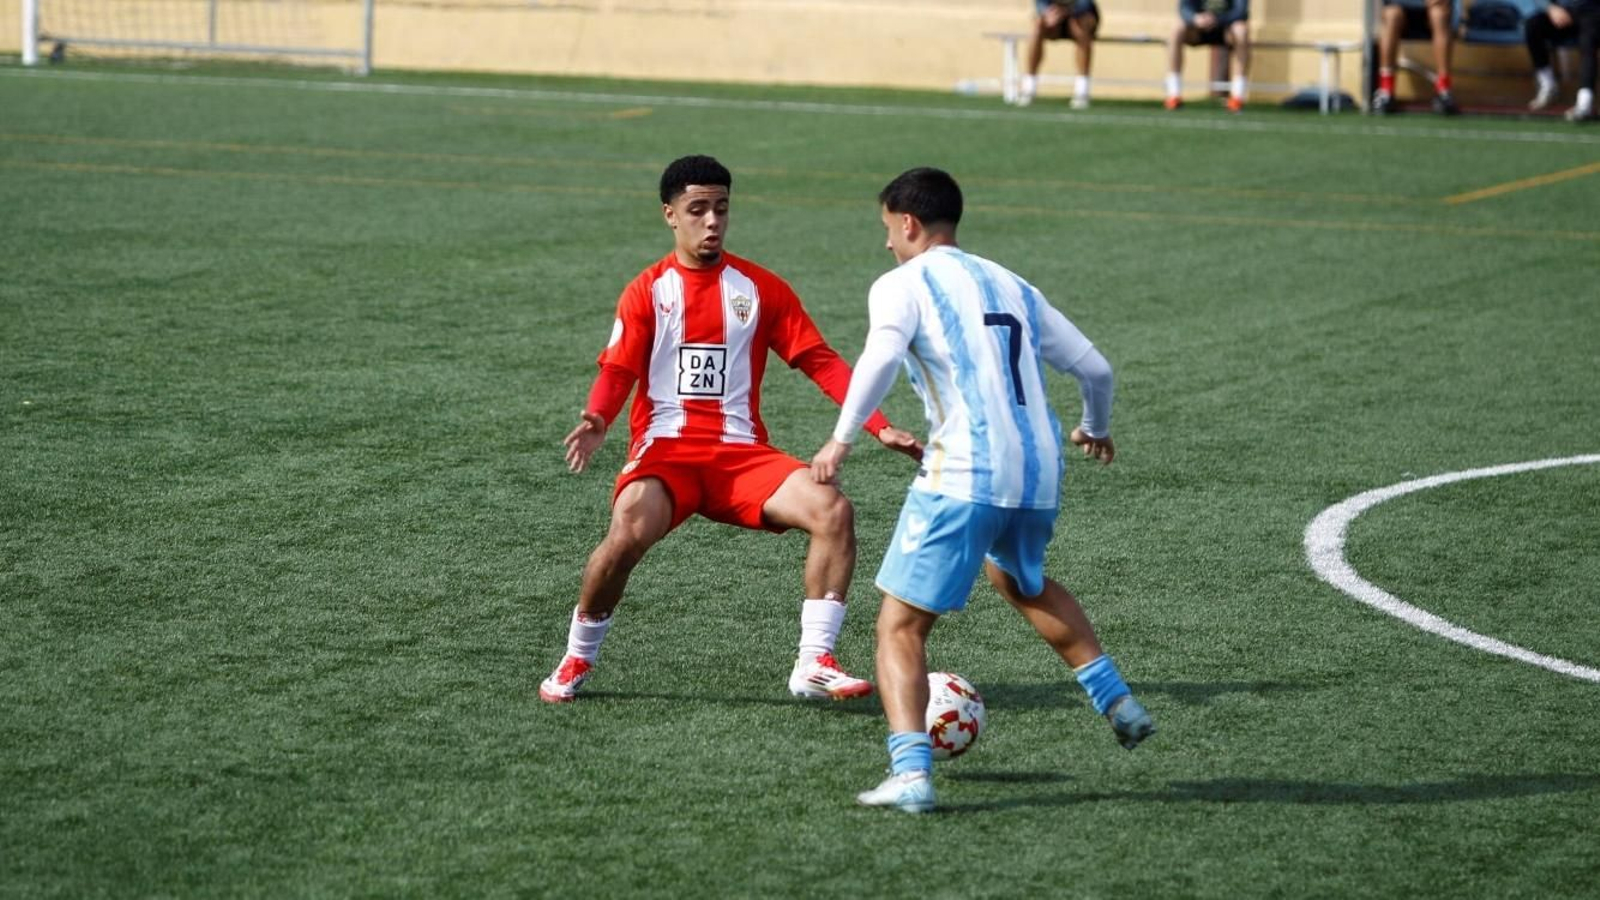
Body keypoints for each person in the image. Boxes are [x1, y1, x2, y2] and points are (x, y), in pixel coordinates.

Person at [810, 168, 1156, 814]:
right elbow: (1095, 368)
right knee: (1021, 581)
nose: (887, 243)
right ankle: (1118, 701)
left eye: (888, 229)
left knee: (899, 627)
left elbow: (882, 354)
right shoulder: (1011, 282)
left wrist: (841, 439)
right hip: (1039, 467)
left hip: (965, 466)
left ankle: (911, 775)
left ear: (908, 224)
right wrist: (1096, 427)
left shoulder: (901, 284)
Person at [541, 155, 923, 704]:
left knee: (832, 510)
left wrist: (879, 425)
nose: (713, 221)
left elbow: (819, 359)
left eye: (721, 208)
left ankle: (814, 661)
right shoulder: (648, 291)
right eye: (698, 210)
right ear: (670, 215)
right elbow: (618, 367)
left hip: (741, 456)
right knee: (626, 532)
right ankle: (579, 653)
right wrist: (598, 417)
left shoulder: (760, 288)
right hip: (666, 455)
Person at [1371, 0, 1460, 115]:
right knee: (1391, 14)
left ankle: (1444, 91)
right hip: (1403, 10)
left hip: (1432, 12)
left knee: (1439, 14)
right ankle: (1386, 91)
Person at [1165, 0, 1252, 112]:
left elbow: (1241, 12)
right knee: (1176, 30)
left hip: (1226, 29)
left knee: (1241, 30)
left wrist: (1218, 19)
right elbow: (1184, 9)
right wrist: (1195, 18)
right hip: (1198, 29)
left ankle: (1237, 97)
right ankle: (1174, 95)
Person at [1524, 0, 1599, 120]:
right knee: (1533, 25)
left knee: (1588, 42)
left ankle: (1585, 103)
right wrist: (1551, 8)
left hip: (1593, 13)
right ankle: (1548, 86)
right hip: (1564, 13)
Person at [1020, 0, 1100, 109]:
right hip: (1055, 16)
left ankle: (1082, 90)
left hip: (1081, 14)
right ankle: (1029, 87)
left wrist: (1067, 11)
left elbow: (1086, 3)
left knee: (1080, 27)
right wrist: (1047, 12)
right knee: (1038, 25)